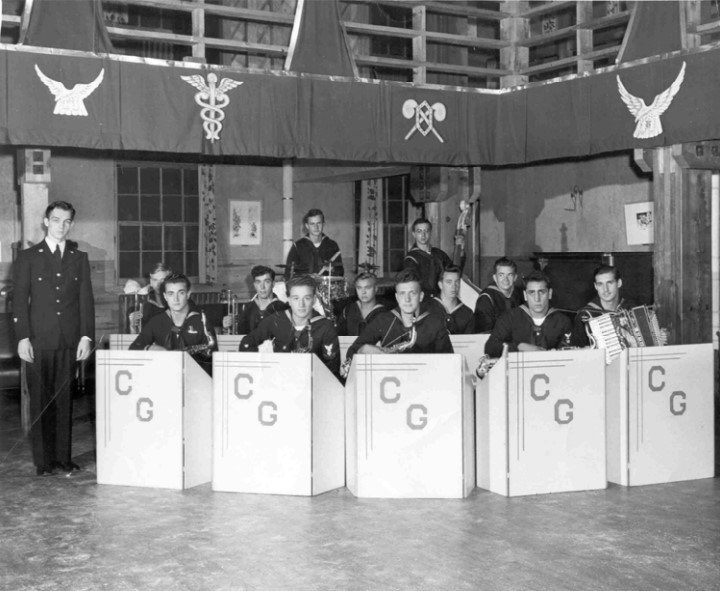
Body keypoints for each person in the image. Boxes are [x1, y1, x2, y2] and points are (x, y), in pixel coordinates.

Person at [13, 201, 95, 476]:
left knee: (64, 400)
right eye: (56, 220)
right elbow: (19, 302)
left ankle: (63, 458)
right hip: (38, 340)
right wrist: (23, 337)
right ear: (46, 222)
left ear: (71, 224)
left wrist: (85, 336)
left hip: (69, 340)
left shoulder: (78, 258)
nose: (61, 225)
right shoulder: (28, 257)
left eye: (67, 221)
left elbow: (86, 300)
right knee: (40, 401)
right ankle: (44, 462)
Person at [345, 269, 453, 367]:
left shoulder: (435, 323)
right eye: (402, 294)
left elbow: (449, 362)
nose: (407, 299)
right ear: (397, 297)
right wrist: (370, 351)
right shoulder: (383, 320)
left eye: (413, 293)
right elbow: (353, 350)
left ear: (421, 296)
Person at [239, 275, 341, 378]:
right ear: (289, 299)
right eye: (296, 298)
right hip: (278, 386)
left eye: (307, 298)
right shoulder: (276, 320)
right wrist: (266, 367)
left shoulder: (325, 326)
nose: (301, 304)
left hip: (312, 386)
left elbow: (332, 369)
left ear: (314, 299)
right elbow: (246, 344)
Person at [129, 273, 217, 375]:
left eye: (181, 293)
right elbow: (134, 348)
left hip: (195, 380)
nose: (176, 299)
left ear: (188, 294)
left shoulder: (202, 321)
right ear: (165, 296)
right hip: (165, 380)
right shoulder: (156, 321)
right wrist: (150, 348)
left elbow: (213, 362)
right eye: (171, 293)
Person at [484, 270, 572, 358]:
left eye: (541, 292)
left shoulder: (563, 321)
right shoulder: (509, 318)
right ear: (525, 295)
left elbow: (570, 354)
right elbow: (490, 348)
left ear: (550, 293)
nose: (537, 298)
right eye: (531, 292)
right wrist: (519, 347)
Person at [570, 265, 637, 347]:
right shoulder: (585, 315)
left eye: (610, 283)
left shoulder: (632, 309)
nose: (605, 289)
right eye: (600, 284)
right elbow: (578, 352)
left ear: (619, 283)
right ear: (595, 286)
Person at [284, 208, 343, 279]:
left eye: (319, 223)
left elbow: (341, 272)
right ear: (307, 226)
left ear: (323, 224)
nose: (316, 227)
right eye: (312, 224)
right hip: (305, 287)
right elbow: (289, 273)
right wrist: (307, 277)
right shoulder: (298, 246)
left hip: (326, 287)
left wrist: (332, 270)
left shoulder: (332, 245)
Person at [403, 217, 452, 298]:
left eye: (426, 231)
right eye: (419, 231)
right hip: (424, 300)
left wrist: (460, 251)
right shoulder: (411, 259)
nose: (423, 235)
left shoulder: (439, 253)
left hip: (443, 297)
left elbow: (452, 271)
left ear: (430, 233)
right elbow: (412, 286)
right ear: (414, 234)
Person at [474, 257, 524, 333]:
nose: (505, 279)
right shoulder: (486, 298)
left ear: (515, 277)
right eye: (501, 275)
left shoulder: (520, 294)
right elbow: (485, 331)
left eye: (509, 275)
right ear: (495, 277)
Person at [237, 265, 287, 334]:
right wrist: (226, 328)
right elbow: (241, 335)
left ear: (273, 284)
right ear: (254, 285)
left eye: (266, 282)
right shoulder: (247, 309)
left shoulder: (283, 308)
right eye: (258, 282)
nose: (262, 287)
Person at [426, 265, 476, 334]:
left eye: (457, 282)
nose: (454, 286)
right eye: (449, 282)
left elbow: (470, 342)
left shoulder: (467, 313)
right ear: (440, 285)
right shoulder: (427, 309)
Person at [127, 262, 173, 332]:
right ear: (151, 282)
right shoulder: (141, 308)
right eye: (155, 280)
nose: (159, 284)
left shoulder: (181, 304)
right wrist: (132, 326)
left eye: (163, 280)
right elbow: (132, 340)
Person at [336, 272, 386, 336]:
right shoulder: (348, 311)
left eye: (367, 287)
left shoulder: (384, 313)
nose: (363, 292)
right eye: (359, 288)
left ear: (375, 289)